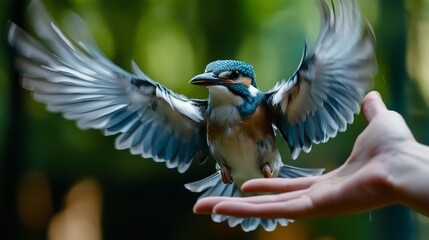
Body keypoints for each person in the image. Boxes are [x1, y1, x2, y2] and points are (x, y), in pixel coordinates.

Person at [193, 91, 429, 219]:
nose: (216, 82)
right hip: (229, 179)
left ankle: (265, 170)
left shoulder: (266, 104)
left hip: (271, 170)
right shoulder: (203, 113)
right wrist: (403, 164)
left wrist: (401, 163)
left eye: (230, 77)